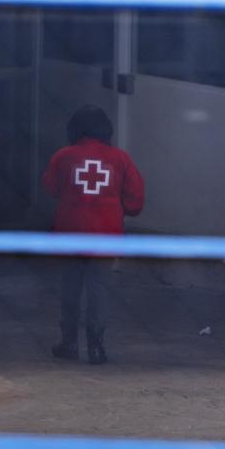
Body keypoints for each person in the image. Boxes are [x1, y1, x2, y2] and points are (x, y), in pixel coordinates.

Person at [41, 104, 144, 365]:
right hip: (105, 236)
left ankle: (69, 343)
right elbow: (136, 201)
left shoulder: (63, 156)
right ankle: (96, 347)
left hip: (71, 234)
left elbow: (50, 187)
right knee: (99, 290)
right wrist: (120, 209)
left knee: (70, 290)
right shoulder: (120, 158)